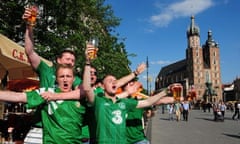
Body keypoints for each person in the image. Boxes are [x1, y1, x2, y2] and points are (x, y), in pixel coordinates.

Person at [22, 7, 82, 143]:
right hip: (40, 127)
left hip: (60, 130)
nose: (71, 63)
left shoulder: (75, 79)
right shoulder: (46, 70)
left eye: (73, 61)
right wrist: (29, 26)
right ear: (58, 60)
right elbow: (30, 52)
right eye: (68, 59)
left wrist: (55, 96)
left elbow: (83, 93)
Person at [82, 63, 168, 144]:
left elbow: (148, 101)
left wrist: (165, 91)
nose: (114, 82)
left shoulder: (124, 102)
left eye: (115, 81)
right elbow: (86, 88)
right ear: (103, 86)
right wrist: (87, 63)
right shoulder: (98, 101)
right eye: (110, 81)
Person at [0, 64, 85, 143]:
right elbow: (18, 96)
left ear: (73, 79)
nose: (65, 79)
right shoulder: (47, 93)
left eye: (68, 76)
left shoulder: (81, 98)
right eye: (62, 76)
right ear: (56, 79)